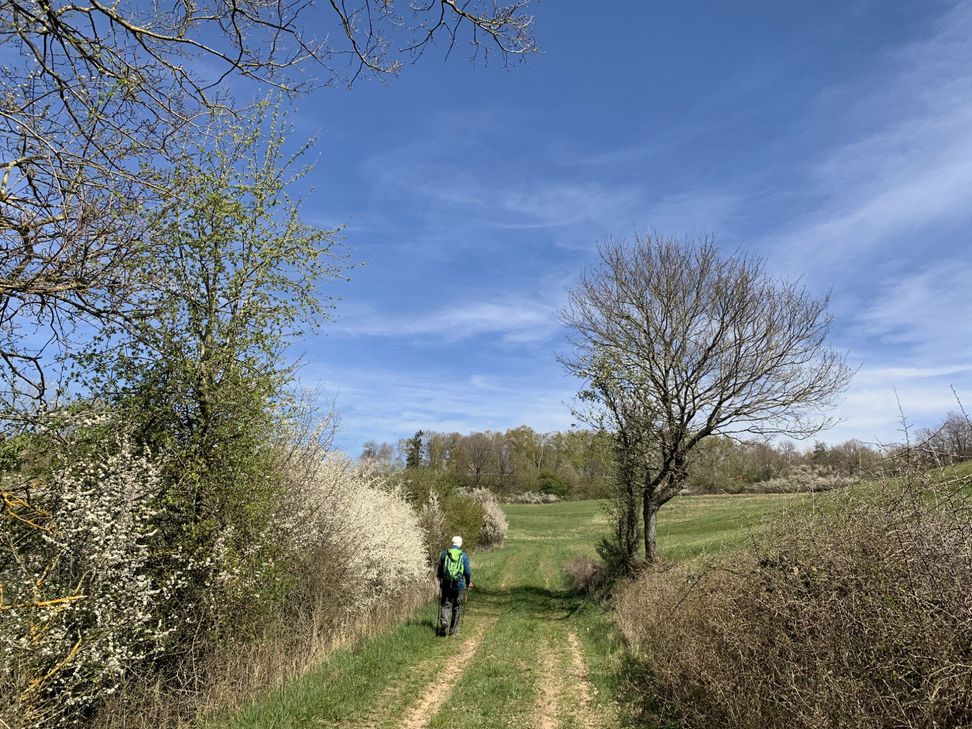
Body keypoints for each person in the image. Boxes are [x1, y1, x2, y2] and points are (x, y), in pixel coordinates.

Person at [436, 535, 472, 637]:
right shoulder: (463, 555)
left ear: (452, 542)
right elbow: (467, 571)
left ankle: (444, 622)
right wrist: (468, 582)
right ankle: (453, 631)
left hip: (446, 583)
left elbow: (440, 568)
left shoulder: (444, 553)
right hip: (459, 584)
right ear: (460, 544)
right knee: (457, 606)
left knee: (446, 604)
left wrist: (440, 577)